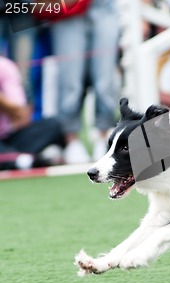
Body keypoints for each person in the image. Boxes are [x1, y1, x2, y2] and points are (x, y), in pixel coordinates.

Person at [50, 0, 119, 164]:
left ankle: (104, 136)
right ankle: (71, 138)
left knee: (105, 78)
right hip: (68, 7)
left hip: (105, 6)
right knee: (70, 80)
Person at [0, 55, 64, 170]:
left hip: (7, 138)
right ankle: (22, 160)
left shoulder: (4, 66)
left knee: (52, 125)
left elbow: (20, 113)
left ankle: (17, 159)